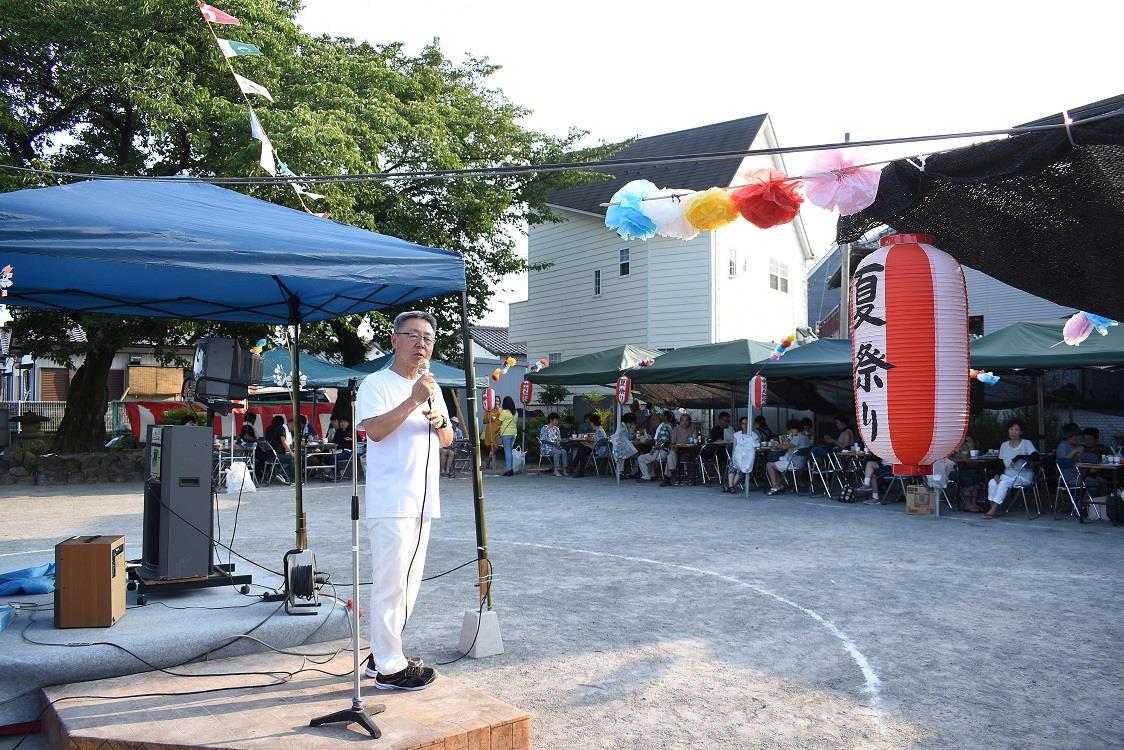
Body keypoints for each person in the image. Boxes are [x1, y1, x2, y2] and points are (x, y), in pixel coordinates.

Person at [356, 310, 452, 691]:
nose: (420, 343)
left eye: (427, 338)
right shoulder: (376, 384)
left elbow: (448, 439)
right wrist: (413, 401)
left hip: (423, 499)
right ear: (394, 340)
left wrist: (440, 422)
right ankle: (390, 669)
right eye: (412, 335)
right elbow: (375, 431)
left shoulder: (432, 385)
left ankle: (382, 653)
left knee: (409, 584)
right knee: (391, 583)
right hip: (391, 499)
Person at [982, 419, 1037, 519]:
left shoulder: (1026, 443)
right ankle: (993, 508)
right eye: (1011, 429)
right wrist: (997, 474)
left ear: (1021, 432)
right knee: (992, 482)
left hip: (1023, 475)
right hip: (1007, 475)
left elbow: (1036, 457)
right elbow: (1000, 463)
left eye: (1016, 430)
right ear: (1008, 431)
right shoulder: (1004, 445)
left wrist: (1019, 456)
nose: (1013, 432)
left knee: (1004, 483)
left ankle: (992, 510)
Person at [1056, 424, 1109, 520]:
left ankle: (1098, 509)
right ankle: (1081, 506)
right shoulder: (1063, 446)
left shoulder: (1076, 446)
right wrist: (1075, 454)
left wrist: (1083, 452)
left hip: (1080, 475)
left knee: (1103, 482)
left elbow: (1094, 459)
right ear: (1068, 436)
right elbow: (1062, 462)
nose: (1077, 437)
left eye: (1077, 435)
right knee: (1095, 483)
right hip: (1070, 477)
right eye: (1074, 435)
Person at [765, 420, 810, 495]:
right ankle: (779, 486)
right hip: (802, 462)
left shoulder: (798, 438)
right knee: (775, 464)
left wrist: (776, 445)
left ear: (794, 428)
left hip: (793, 463)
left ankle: (775, 487)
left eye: (791, 429)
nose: (791, 431)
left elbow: (785, 447)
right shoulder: (805, 437)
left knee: (769, 464)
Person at [723, 416, 760, 493]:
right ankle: (731, 487)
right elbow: (734, 448)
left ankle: (730, 487)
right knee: (732, 465)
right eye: (743, 424)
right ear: (741, 425)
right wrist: (733, 458)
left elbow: (755, 447)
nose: (745, 425)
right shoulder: (736, 435)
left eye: (746, 424)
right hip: (738, 456)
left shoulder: (753, 435)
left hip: (748, 458)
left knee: (743, 467)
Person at [660, 413, 697, 486]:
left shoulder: (693, 428)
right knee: (671, 454)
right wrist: (674, 446)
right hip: (678, 450)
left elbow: (695, 440)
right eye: (682, 420)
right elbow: (672, 443)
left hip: (689, 450)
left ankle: (669, 477)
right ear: (680, 421)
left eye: (687, 420)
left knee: (671, 456)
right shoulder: (676, 429)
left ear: (690, 421)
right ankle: (673, 474)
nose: (684, 422)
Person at [638, 411, 673, 481]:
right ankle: (652, 474)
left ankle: (646, 476)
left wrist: (654, 448)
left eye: (655, 419)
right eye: (652, 420)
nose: (652, 422)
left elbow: (662, 440)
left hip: (662, 452)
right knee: (647, 457)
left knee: (641, 458)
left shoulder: (662, 428)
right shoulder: (663, 427)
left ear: (660, 420)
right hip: (664, 451)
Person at [262, 414, 294, 484]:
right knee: (293, 458)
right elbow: (283, 440)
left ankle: (282, 474)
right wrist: (291, 452)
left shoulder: (268, 429)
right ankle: (283, 475)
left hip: (268, 456)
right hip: (276, 455)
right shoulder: (281, 428)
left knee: (290, 457)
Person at [538, 412, 569, 477]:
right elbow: (542, 440)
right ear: (551, 420)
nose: (557, 422)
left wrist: (564, 440)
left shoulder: (557, 429)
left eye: (557, 420)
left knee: (564, 452)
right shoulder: (545, 428)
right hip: (546, 448)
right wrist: (553, 443)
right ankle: (556, 470)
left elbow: (559, 440)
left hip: (556, 447)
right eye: (556, 420)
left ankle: (564, 469)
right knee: (557, 452)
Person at [498, 396, 518, 476]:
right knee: (510, 451)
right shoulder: (515, 412)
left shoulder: (504, 412)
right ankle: (510, 469)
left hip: (506, 434)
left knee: (507, 452)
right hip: (514, 433)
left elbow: (499, 423)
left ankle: (509, 470)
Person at [482, 404, 501, 470]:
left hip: (498, 431)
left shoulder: (500, 410)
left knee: (495, 447)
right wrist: (489, 420)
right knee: (493, 447)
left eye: (498, 401)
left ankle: (488, 460)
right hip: (490, 431)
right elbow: (484, 421)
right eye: (495, 401)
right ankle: (489, 462)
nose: (496, 403)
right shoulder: (489, 410)